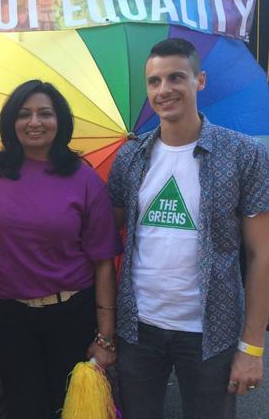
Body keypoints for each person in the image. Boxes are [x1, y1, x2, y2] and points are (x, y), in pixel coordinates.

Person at [108, 37, 269, 419]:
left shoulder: (245, 154)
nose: (164, 90)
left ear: (200, 80)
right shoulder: (130, 157)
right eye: (154, 82)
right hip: (138, 328)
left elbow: (262, 254)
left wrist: (252, 347)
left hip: (210, 332)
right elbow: (105, 234)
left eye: (176, 77)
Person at [0, 80, 121, 418]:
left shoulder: (83, 179)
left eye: (45, 113)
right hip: (10, 315)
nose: (34, 122)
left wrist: (105, 337)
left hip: (70, 314)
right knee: (22, 406)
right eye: (24, 114)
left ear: (60, 121)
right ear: (11, 122)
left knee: (68, 407)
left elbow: (103, 261)